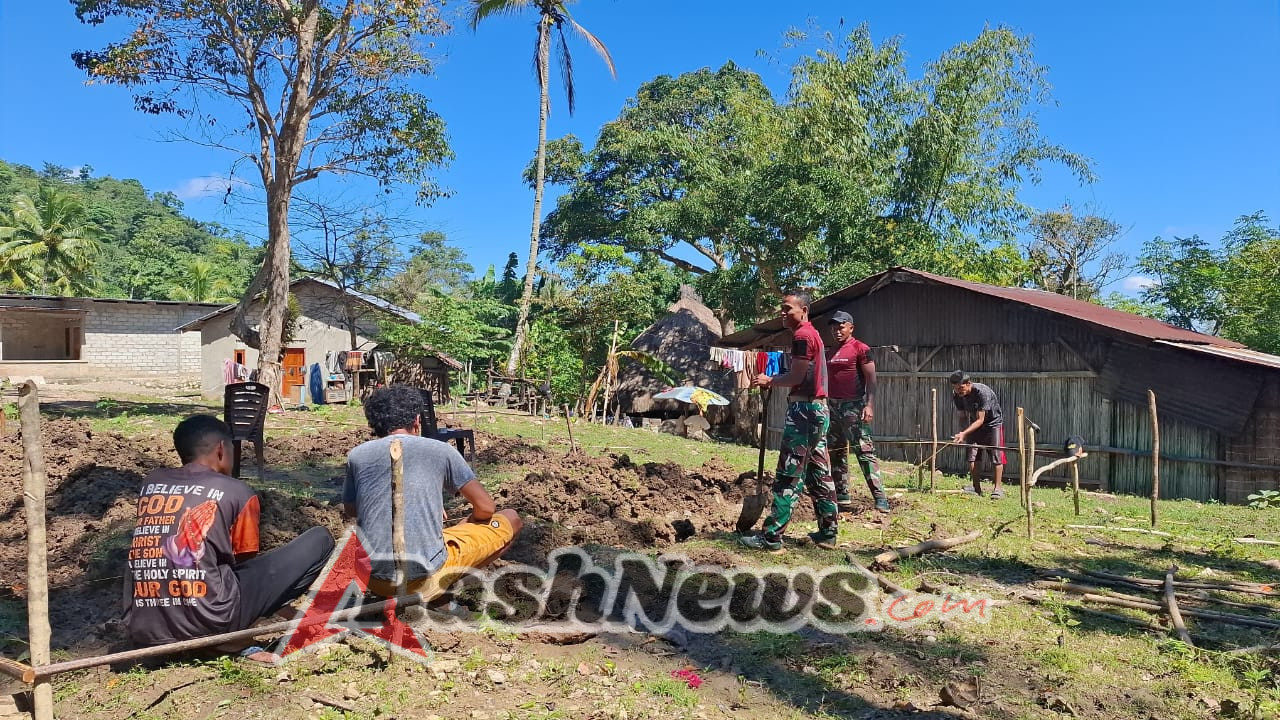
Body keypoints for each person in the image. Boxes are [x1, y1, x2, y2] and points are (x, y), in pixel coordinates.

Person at [124, 415, 335, 646]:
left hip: (146, 628)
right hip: (213, 623)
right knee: (320, 539)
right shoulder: (237, 491)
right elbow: (243, 563)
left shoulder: (151, 483)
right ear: (222, 449)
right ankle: (229, 641)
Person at [343, 385, 523, 601]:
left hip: (373, 579)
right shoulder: (440, 450)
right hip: (423, 580)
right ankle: (443, 591)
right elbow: (486, 507)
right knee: (511, 519)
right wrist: (470, 522)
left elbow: (352, 510)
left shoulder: (357, 455)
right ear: (417, 421)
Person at [740, 290, 839, 552]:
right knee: (819, 473)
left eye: (788, 309)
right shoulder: (813, 335)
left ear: (804, 311)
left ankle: (771, 537)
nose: (782, 313)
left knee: (789, 473)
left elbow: (796, 377)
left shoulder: (802, 336)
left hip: (804, 412)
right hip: (818, 411)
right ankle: (828, 533)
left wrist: (769, 380)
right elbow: (802, 374)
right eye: (781, 309)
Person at [825, 310, 889, 513]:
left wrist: (869, 405)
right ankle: (842, 494)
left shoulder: (861, 349)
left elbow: (871, 380)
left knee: (864, 451)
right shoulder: (830, 352)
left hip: (853, 406)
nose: (837, 330)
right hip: (832, 407)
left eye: (841, 326)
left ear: (851, 328)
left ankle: (880, 498)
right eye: (834, 327)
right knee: (835, 452)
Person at [949, 370, 1007, 498]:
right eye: (955, 388)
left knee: (996, 455)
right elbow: (962, 416)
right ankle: (976, 488)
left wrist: (964, 433)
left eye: (961, 387)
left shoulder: (982, 392)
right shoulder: (957, 395)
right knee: (972, 455)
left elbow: (981, 419)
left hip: (993, 424)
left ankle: (998, 489)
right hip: (974, 424)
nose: (959, 391)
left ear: (968, 383)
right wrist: (962, 432)